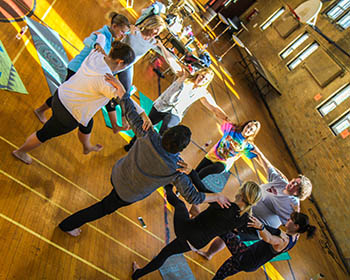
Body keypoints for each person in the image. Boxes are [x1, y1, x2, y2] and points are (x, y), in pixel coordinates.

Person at [58, 75, 230, 237]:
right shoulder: (176, 168)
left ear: (168, 133)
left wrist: (121, 90)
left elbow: (129, 111)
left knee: (108, 199)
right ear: (182, 148)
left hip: (118, 174)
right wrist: (217, 197)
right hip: (127, 193)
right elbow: (193, 197)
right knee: (103, 207)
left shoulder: (148, 134)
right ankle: (67, 225)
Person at [12, 41, 144, 165]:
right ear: (120, 62)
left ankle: (87, 147)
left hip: (60, 95)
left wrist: (98, 44)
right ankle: (20, 152)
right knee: (43, 134)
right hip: (69, 114)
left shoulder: (97, 54)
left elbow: (100, 40)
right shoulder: (107, 82)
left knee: (87, 122)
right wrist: (143, 114)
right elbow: (126, 101)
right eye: (126, 66)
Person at [131, 177, 262, 280]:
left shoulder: (224, 203)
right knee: (165, 253)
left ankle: (168, 185)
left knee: (180, 204)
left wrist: (191, 172)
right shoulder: (244, 218)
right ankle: (137, 274)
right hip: (197, 243)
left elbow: (201, 188)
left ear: (241, 191)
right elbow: (259, 233)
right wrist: (264, 228)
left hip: (187, 229)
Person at [197, 145, 313, 259]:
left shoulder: (293, 205)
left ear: (298, 193)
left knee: (227, 230)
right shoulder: (281, 182)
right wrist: (258, 152)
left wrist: (281, 236)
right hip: (245, 209)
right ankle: (202, 240)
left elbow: (295, 225)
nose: (292, 183)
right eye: (294, 181)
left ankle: (208, 251)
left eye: (296, 186)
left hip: (254, 224)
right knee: (224, 223)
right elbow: (268, 166)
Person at [124, 41, 230, 151]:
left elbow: (214, 107)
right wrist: (161, 46)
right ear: (199, 74)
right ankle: (132, 144)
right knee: (145, 125)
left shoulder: (203, 92)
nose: (203, 79)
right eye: (203, 76)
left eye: (206, 79)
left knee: (164, 137)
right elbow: (171, 62)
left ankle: (151, 153)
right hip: (162, 105)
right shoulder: (185, 76)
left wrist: (227, 118)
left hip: (176, 114)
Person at [34, 12, 131, 134]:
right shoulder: (102, 34)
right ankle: (41, 111)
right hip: (77, 69)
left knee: (64, 94)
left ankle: (42, 111)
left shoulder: (110, 38)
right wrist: (95, 45)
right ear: (115, 26)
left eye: (125, 33)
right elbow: (87, 40)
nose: (122, 35)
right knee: (63, 94)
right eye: (122, 32)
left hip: (83, 71)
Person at [212, 212, 316, 279]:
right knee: (221, 274)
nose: (288, 220)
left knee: (226, 233)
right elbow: (278, 233)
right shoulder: (296, 236)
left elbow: (269, 238)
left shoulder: (284, 241)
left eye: (290, 220)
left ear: (296, 226)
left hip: (246, 258)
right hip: (249, 257)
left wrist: (261, 227)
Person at [189, 120, 261, 216]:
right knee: (196, 173)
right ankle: (189, 195)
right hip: (211, 156)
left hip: (222, 164)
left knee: (202, 174)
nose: (248, 129)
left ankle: (198, 201)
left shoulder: (247, 146)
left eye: (251, 129)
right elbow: (220, 117)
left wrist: (265, 163)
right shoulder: (231, 130)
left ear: (253, 133)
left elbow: (257, 157)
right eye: (248, 126)